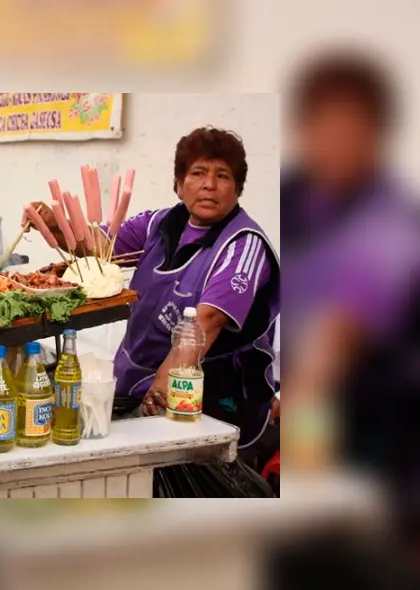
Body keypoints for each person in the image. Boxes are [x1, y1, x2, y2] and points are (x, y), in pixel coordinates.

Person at [30, 127, 280, 450]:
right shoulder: (157, 224)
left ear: (237, 189)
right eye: (198, 173)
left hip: (211, 406)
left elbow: (206, 322)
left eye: (223, 176)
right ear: (178, 184)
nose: (209, 184)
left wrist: (159, 392)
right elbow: (101, 248)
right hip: (133, 387)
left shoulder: (243, 245)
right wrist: (55, 226)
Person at [282, 52, 420, 546]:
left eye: (353, 132)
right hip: (300, 415)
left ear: (377, 138)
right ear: (303, 131)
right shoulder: (295, 197)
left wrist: (293, 451)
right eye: (325, 130)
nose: (337, 146)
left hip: (379, 443)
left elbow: (331, 346)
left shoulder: (390, 224)